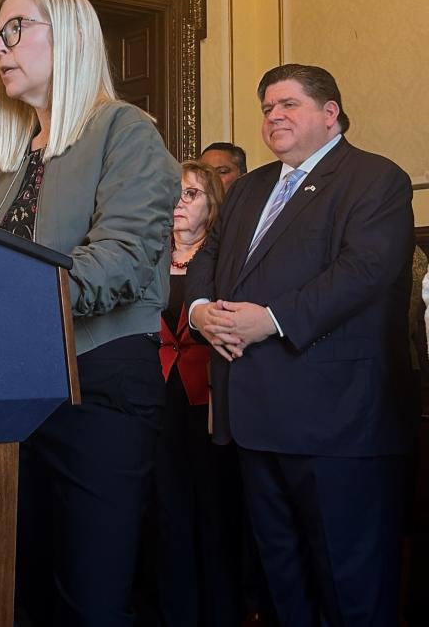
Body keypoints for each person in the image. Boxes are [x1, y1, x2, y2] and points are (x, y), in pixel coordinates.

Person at [0, 0, 180, 626]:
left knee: (91, 597)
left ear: (67, 35)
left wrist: (10, 308)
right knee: (21, 589)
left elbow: (121, 259)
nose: (0, 47)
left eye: (16, 30)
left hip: (100, 386)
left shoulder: (125, 130)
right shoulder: (10, 158)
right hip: (18, 390)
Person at [186, 64, 415, 625]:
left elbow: (365, 272)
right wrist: (198, 312)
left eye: (287, 104)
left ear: (330, 112)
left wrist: (273, 319)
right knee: (280, 580)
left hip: (337, 424)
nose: (273, 117)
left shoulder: (375, 178)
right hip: (254, 419)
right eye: (266, 108)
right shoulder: (250, 189)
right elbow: (207, 257)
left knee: (349, 586)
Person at [154, 160, 243, 627]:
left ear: (212, 206)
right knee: (167, 513)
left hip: (208, 399)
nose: (178, 203)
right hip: (156, 398)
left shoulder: (223, 260)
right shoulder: (148, 254)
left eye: (190, 194)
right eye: (174, 193)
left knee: (213, 513)